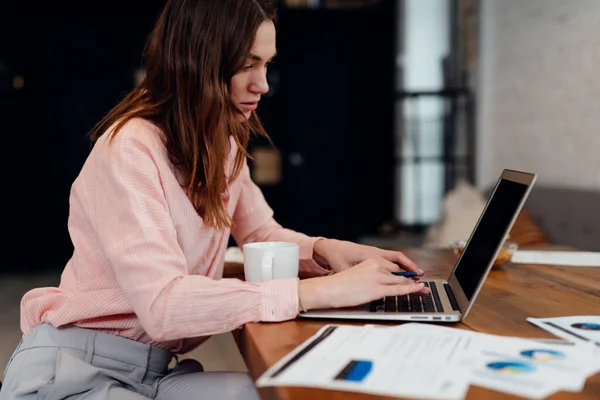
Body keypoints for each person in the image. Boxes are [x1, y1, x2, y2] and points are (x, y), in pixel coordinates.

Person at [0, 0, 429, 398]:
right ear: (196, 63)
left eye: (267, 65)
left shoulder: (220, 143)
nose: (262, 85)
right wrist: (318, 292)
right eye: (247, 65)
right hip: (75, 373)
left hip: (151, 370)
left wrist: (326, 250)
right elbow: (164, 306)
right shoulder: (130, 149)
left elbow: (260, 233)